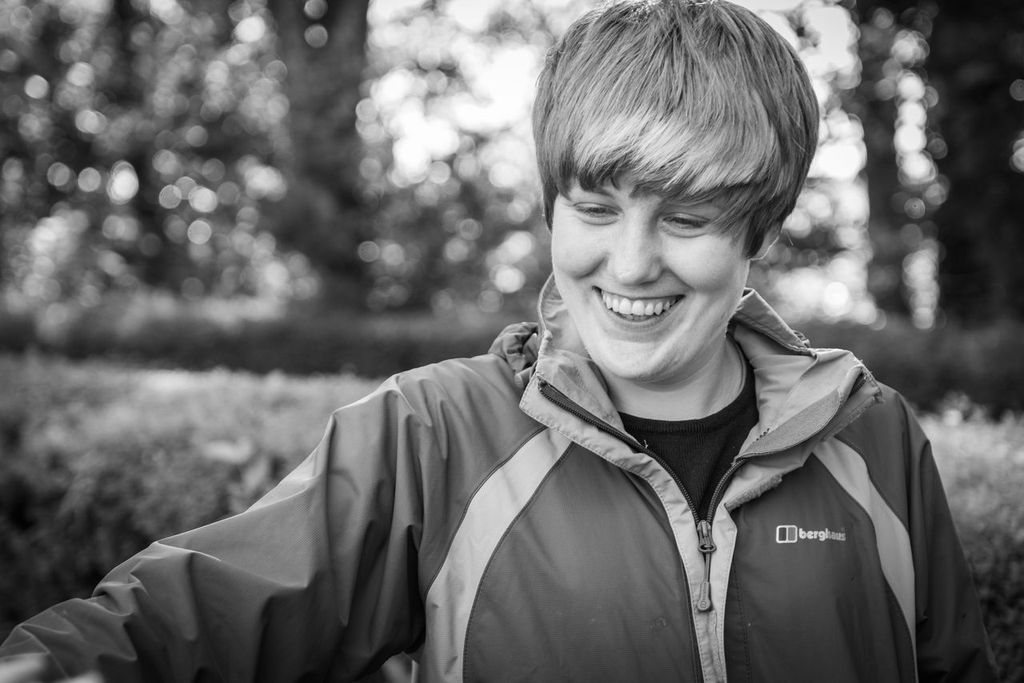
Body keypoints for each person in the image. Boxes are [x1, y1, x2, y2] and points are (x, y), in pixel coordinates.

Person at [0, 0, 998, 681]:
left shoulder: (874, 441)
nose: (630, 260)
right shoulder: (429, 434)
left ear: (759, 231)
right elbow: (187, 614)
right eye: (594, 206)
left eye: (687, 218)